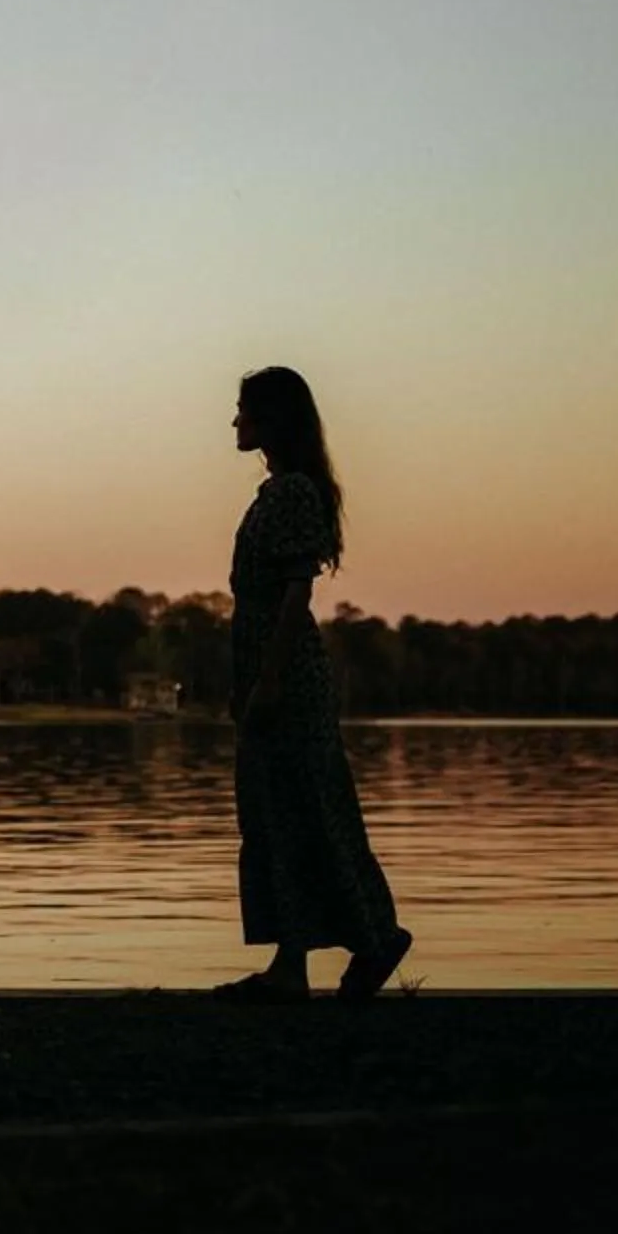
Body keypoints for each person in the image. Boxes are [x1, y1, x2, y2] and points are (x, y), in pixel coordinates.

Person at [217, 365, 411, 1002]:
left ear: (272, 418)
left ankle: (378, 938)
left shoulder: (294, 492)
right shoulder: (276, 491)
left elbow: (296, 592)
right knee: (277, 815)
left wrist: (269, 682)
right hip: (266, 671)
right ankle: (289, 967)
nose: (234, 421)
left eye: (243, 410)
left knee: (310, 811)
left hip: (288, 678)